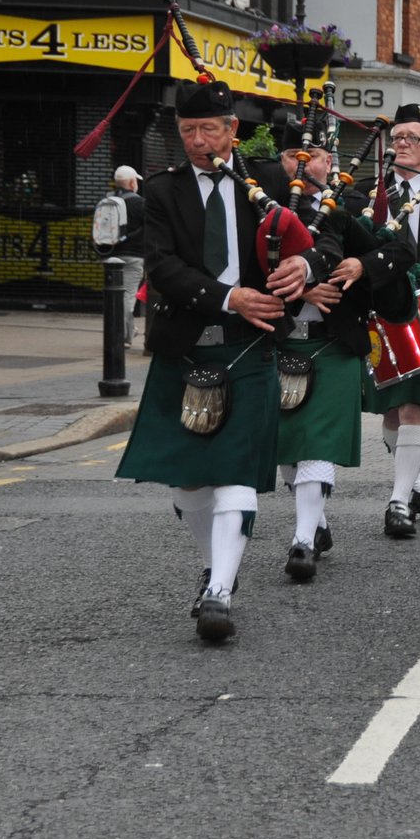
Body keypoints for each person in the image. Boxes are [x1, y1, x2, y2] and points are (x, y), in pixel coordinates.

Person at [115, 81, 320, 642]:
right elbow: (162, 267)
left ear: (233, 130)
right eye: (188, 131)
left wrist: (306, 268)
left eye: (210, 130)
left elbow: (319, 238)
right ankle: (215, 565)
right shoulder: (163, 191)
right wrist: (229, 295)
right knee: (187, 484)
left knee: (234, 473)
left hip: (249, 344)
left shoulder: (272, 181)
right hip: (187, 343)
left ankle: (220, 591)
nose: (199, 141)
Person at [249, 119, 385, 582]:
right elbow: (246, 275)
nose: (304, 166)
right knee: (288, 444)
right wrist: (302, 290)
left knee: (317, 440)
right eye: (293, 157)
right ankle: (318, 524)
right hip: (281, 337)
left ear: (331, 163)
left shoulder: (346, 210)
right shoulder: (262, 213)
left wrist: (358, 267)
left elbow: (387, 256)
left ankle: (302, 540)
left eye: (316, 158)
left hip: (333, 343)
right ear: (282, 162)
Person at [356, 103, 420, 539]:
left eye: (412, 138)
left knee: (415, 408)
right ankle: (412, 482)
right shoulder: (367, 193)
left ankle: (397, 502)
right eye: (397, 138)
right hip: (380, 306)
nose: (402, 144)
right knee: (391, 413)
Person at [110, 166, 148, 346]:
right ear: (132, 182)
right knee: (127, 296)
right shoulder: (139, 203)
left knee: (113, 295)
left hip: (110, 256)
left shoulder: (108, 201)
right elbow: (151, 228)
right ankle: (124, 335)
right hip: (134, 256)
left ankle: (119, 331)